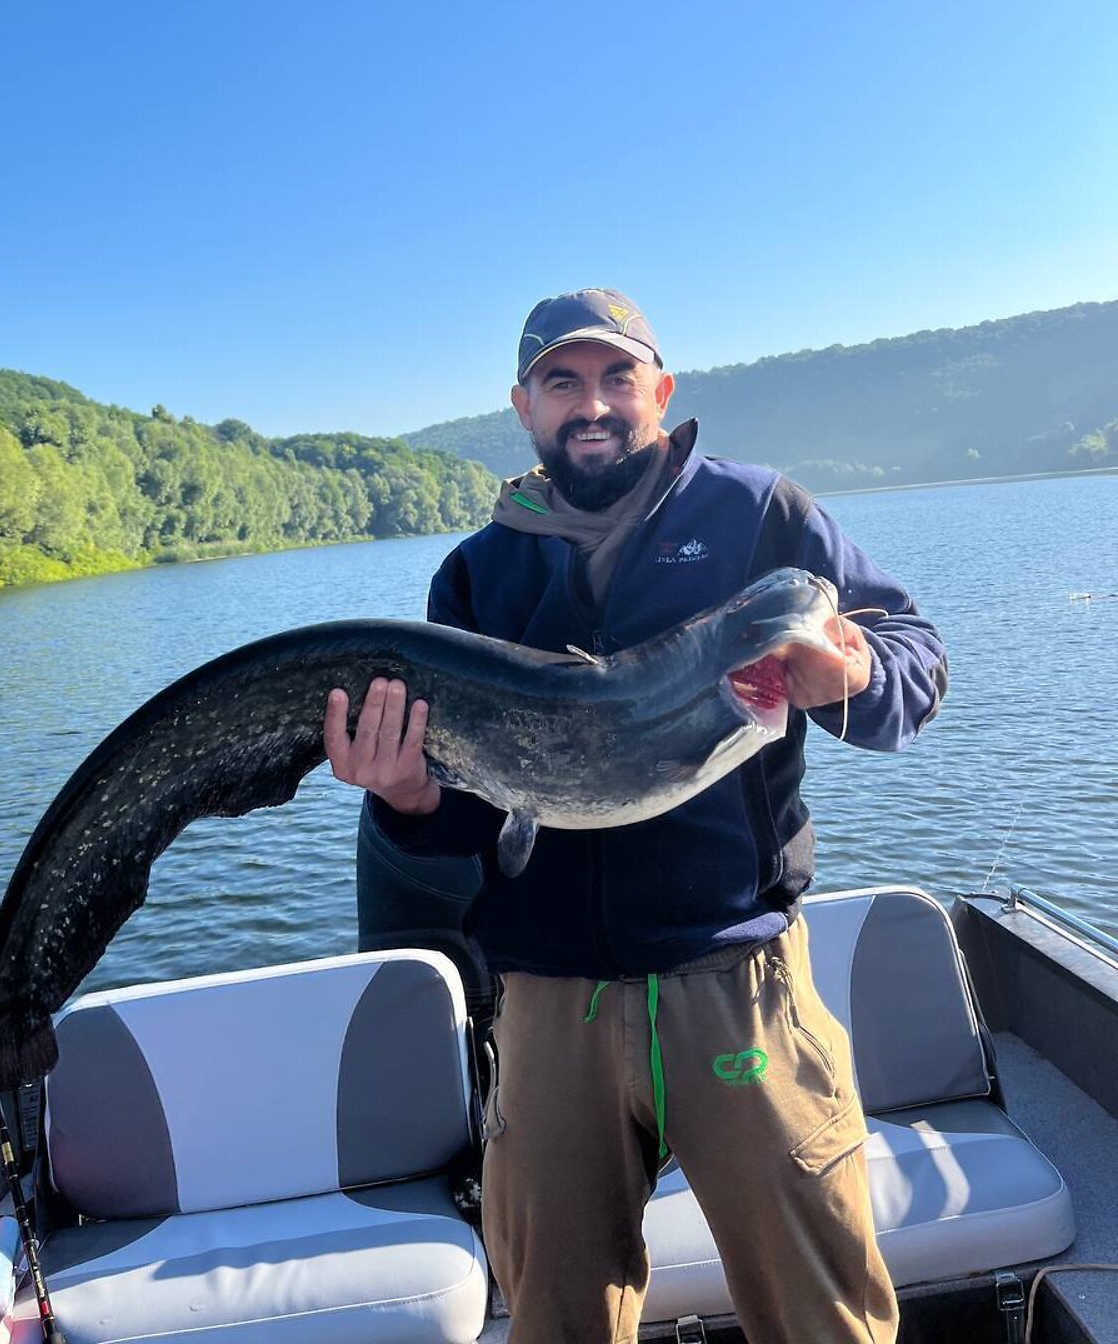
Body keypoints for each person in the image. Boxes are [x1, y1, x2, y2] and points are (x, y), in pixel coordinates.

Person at [324, 288, 949, 1344]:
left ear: (660, 391)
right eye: (563, 382)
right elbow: (467, 826)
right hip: (548, 1008)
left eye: (618, 378)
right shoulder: (475, 574)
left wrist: (843, 675)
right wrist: (405, 794)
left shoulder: (760, 518)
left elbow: (914, 662)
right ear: (523, 405)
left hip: (737, 990)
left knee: (822, 1320)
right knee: (559, 1323)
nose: (593, 403)